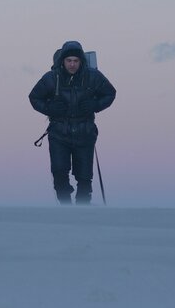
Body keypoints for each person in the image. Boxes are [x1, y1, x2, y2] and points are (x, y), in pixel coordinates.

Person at [29, 41, 116, 205]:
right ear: (62, 61)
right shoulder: (51, 78)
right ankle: (65, 209)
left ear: (81, 61)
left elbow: (110, 93)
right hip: (58, 134)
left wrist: (95, 105)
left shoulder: (93, 76)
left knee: (84, 178)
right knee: (59, 173)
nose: (72, 64)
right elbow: (34, 97)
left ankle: (82, 211)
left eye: (76, 61)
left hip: (85, 133)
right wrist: (50, 108)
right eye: (69, 60)